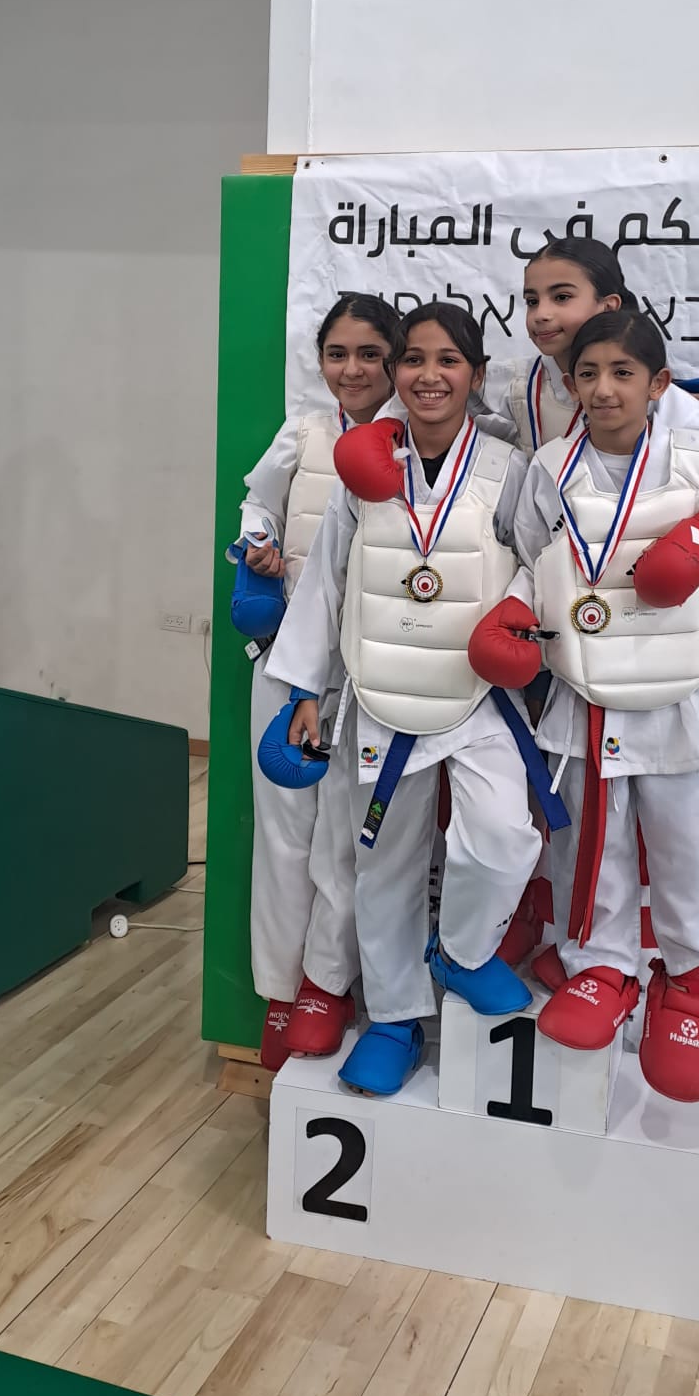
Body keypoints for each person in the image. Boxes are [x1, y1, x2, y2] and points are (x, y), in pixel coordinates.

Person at [263, 303, 553, 1098]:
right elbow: (326, 584)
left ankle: (460, 952)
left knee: (503, 839)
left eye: (448, 360)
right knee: (383, 868)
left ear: (476, 374)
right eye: (414, 360)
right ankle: (393, 1020)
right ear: (395, 373)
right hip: (382, 698)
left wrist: (514, 614)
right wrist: (307, 689)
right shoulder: (364, 471)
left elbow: (545, 564)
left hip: (476, 697)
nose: (430, 375)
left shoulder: (507, 469)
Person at [470, 310, 699, 1102]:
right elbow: (537, 557)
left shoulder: (698, 458)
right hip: (586, 693)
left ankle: (687, 985)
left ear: (659, 384)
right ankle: (601, 967)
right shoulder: (550, 466)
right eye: (587, 374)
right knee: (593, 843)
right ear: (569, 383)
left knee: (689, 845)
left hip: (676, 695)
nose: (603, 389)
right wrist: (512, 608)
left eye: (623, 373)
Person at [482, 236, 699, 694]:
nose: (541, 313)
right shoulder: (517, 381)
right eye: (531, 300)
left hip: (651, 583)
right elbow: (437, 390)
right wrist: (387, 431)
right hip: (567, 586)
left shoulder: (659, 399)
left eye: (561, 297)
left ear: (608, 306)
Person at [239, 292, 400, 1070]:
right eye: (338, 353)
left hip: (371, 670)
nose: (353, 369)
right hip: (285, 661)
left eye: (370, 354)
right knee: (283, 835)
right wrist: (258, 548)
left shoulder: (416, 441)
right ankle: (279, 989)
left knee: (346, 838)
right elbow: (257, 506)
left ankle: (324, 986)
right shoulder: (302, 432)